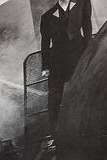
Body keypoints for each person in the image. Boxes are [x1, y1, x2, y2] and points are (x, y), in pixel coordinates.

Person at [40, 0, 93, 135]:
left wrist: (90, 52)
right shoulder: (47, 17)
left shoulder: (82, 3)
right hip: (58, 61)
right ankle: (54, 134)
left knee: (85, 89)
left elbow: (87, 28)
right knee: (55, 97)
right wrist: (45, 67)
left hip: (79, 55)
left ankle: (89, 125)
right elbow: (45, 45)